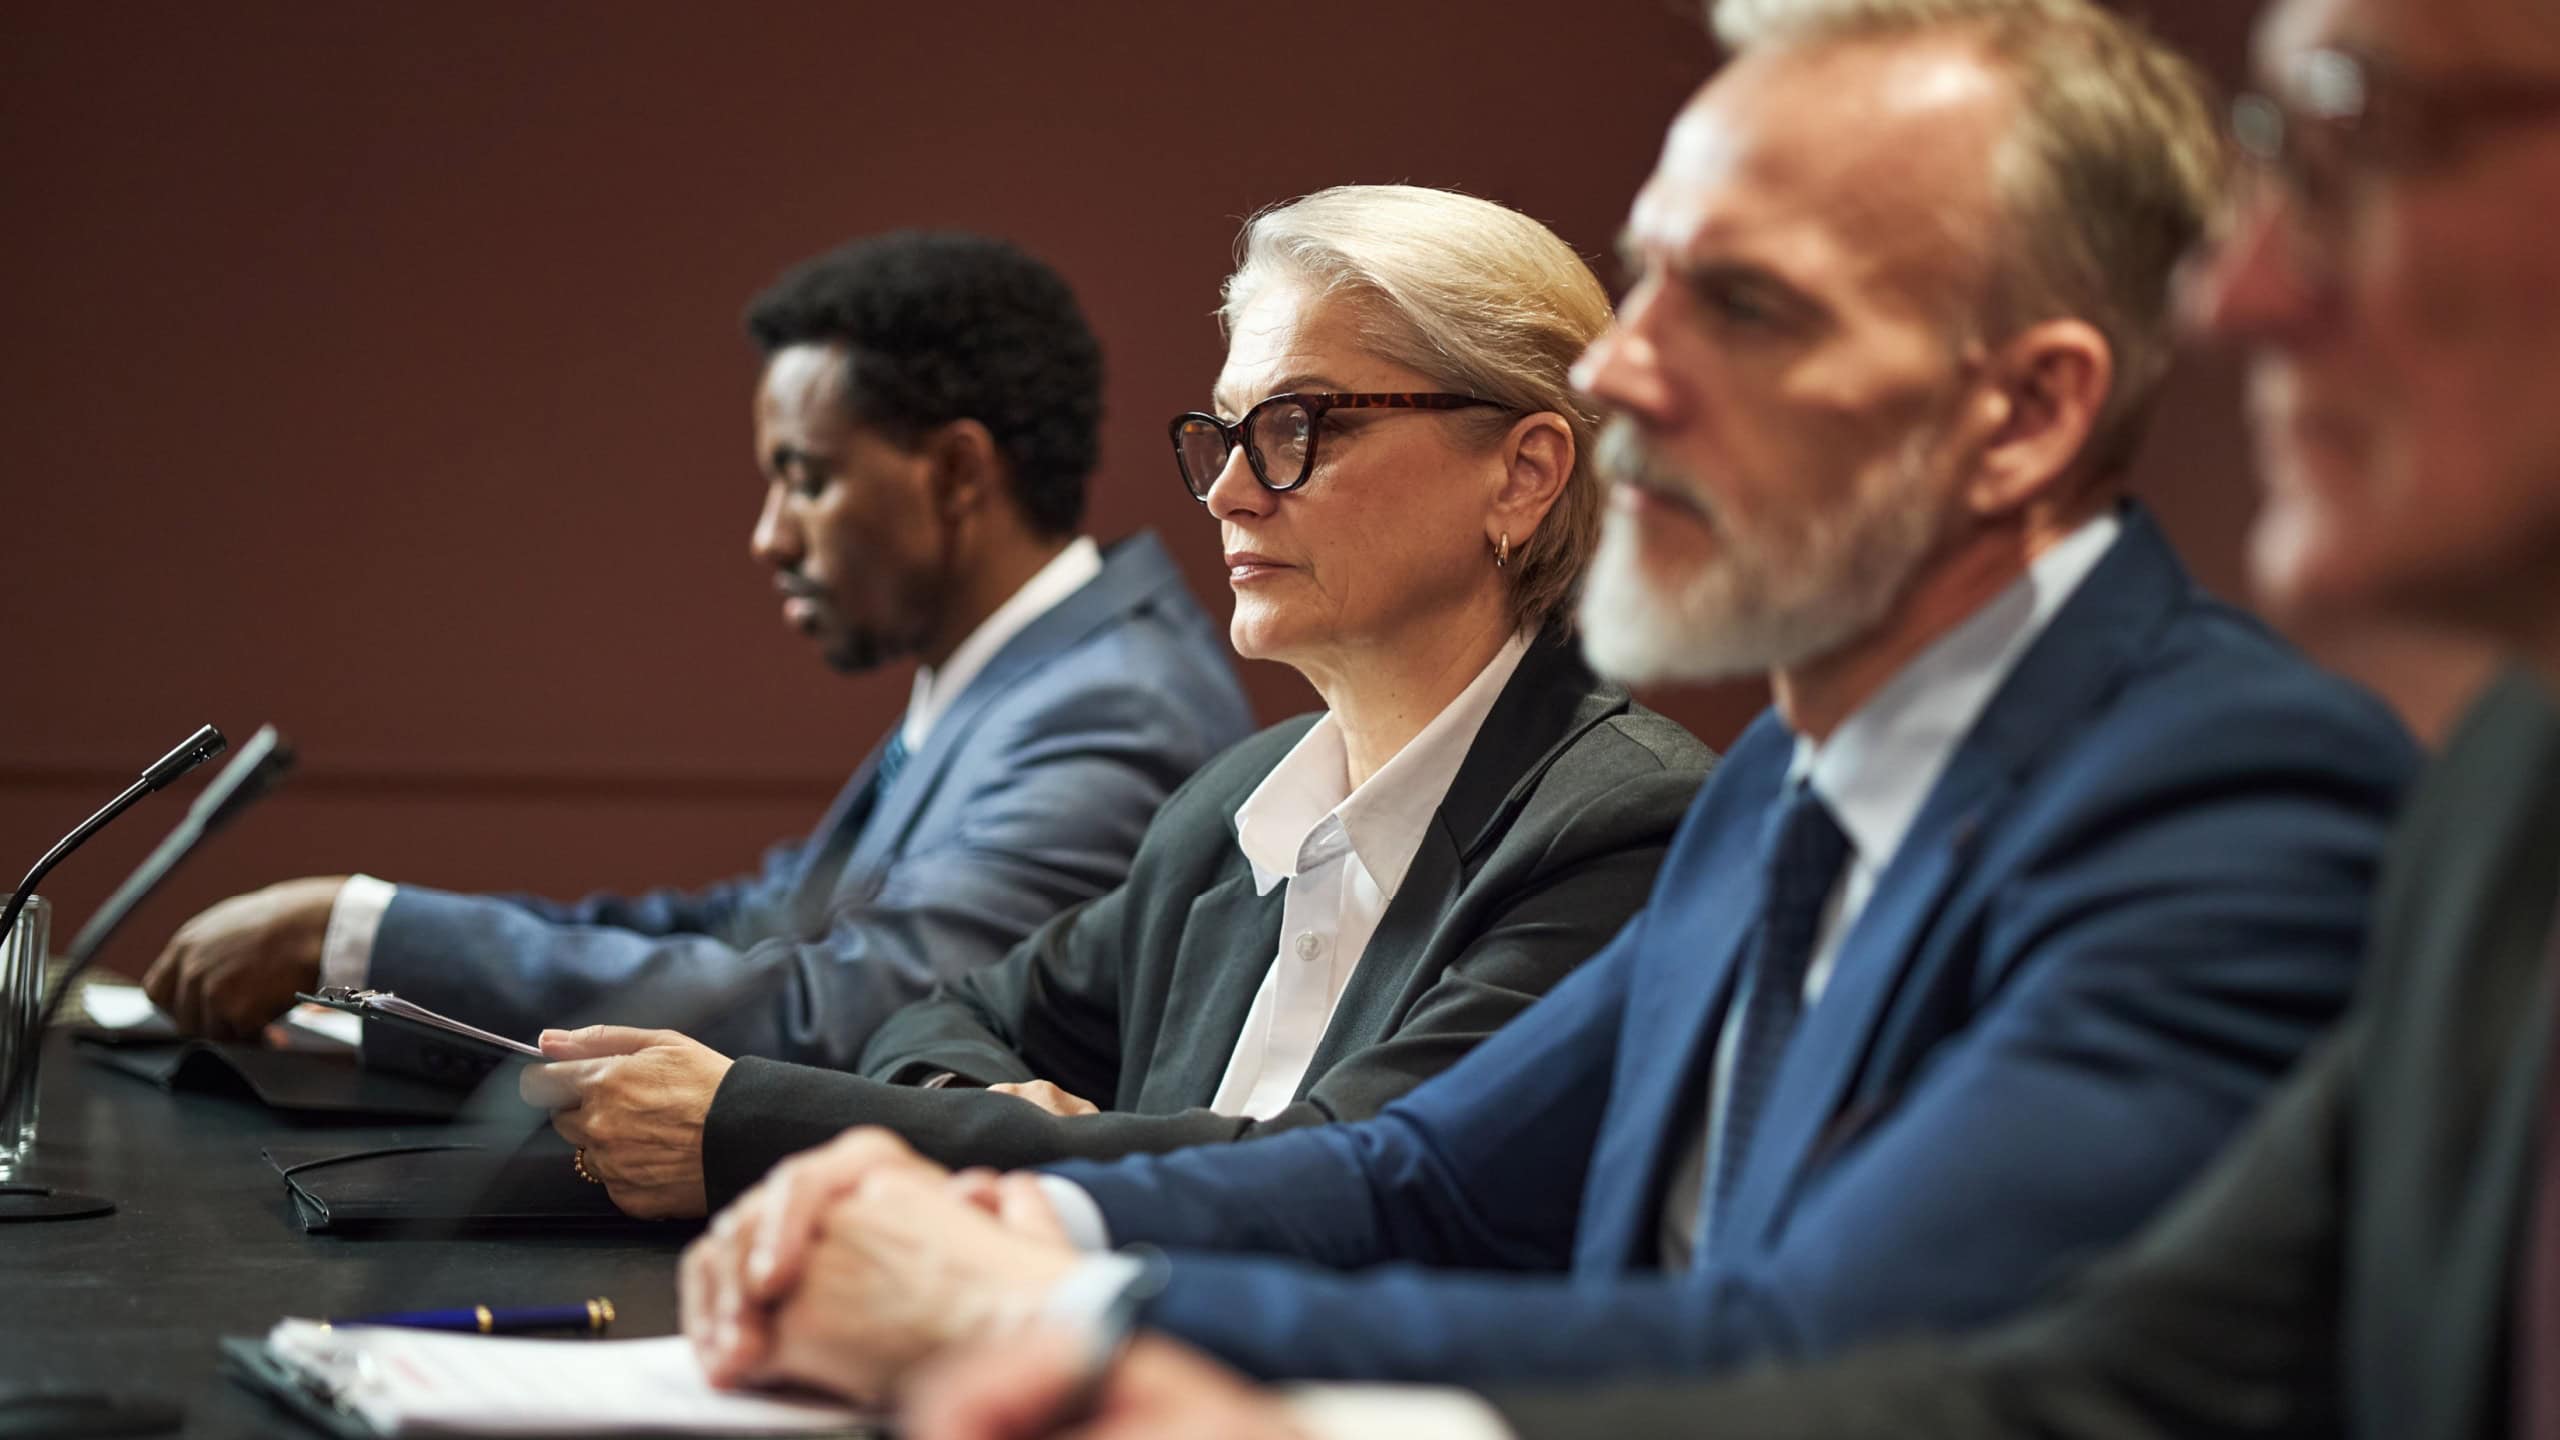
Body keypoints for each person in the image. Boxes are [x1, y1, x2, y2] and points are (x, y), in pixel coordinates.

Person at [675, 0, 2422, 1412]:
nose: (1618, 372)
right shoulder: (1778, 793)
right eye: (1647, 276)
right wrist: (1005, 1210)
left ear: (2025, 418)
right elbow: (1420, 1178)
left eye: (1739, 303)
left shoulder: (2231, 793)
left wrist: (1065, 1309)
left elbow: (1829, 1362)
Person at [515, 185, 1714, 1219]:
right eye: (1226, 434)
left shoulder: (1625, 826)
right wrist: (976, 1110)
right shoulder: (1231, 808)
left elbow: (1349, 1182)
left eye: (1298, 427)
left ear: (1524, 473)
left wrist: (761, 1124)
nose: (1231, 493)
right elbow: (938, 1019)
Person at [139, 231, 1254, 1087]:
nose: (769, 534)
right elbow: (751, 931)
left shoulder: (1110, 706)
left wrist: (355, 934)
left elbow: (836, 1019)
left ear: (957, 475)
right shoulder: (1015, 675)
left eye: (806, 477)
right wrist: (374, 950)